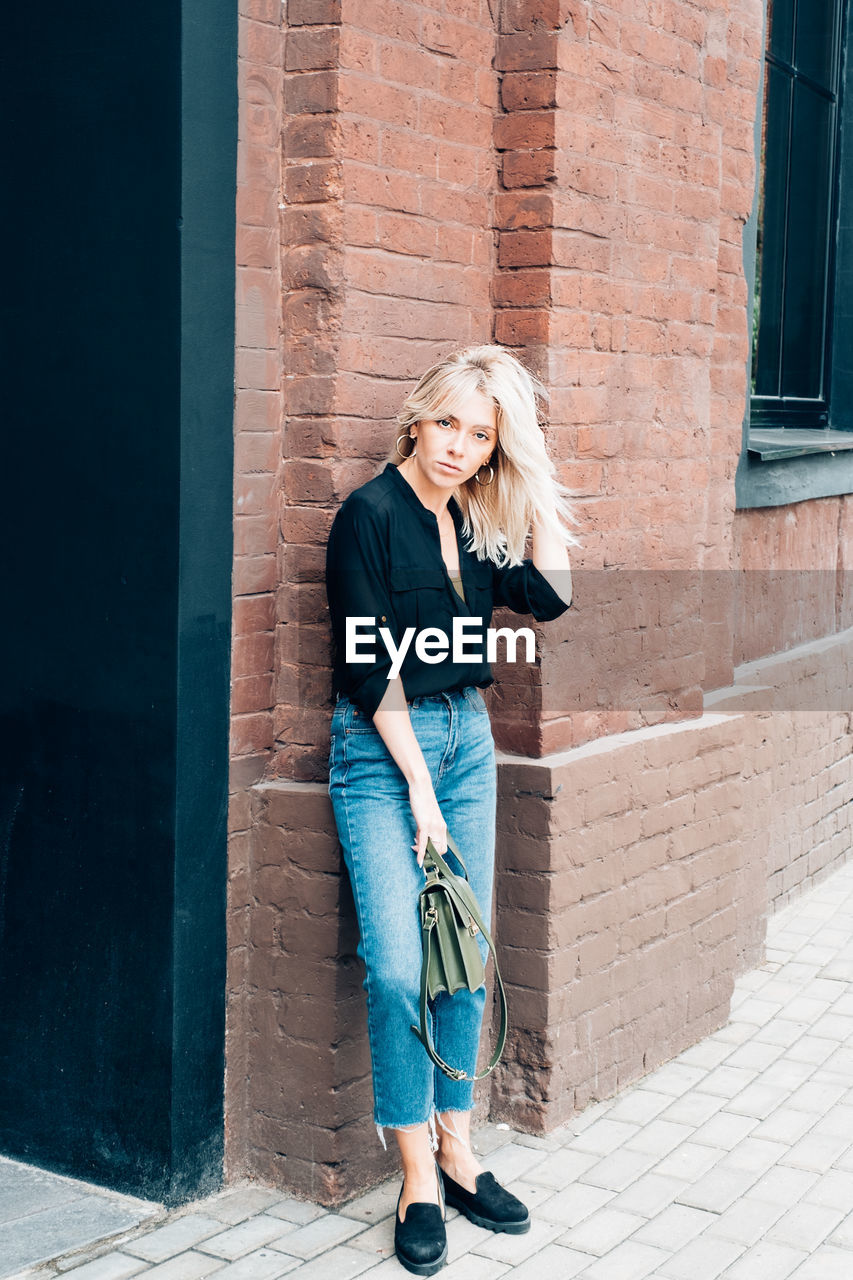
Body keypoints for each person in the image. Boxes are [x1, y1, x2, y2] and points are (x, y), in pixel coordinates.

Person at [325, 344, 578, 1276]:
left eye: (482, 436)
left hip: (468, 743)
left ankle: (459, 1148)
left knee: (463, 955)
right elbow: (366, 666)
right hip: (382, 752)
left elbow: (550, 595)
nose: (458, 448)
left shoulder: (472, 518)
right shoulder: (368, 517)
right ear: (416, 417)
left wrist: (533, 470)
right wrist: (420, 796)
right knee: (398, 968)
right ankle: (415, 1175)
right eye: (448, 425)